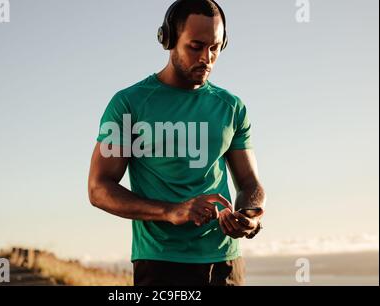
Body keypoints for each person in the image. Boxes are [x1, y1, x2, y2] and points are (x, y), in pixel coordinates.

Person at [88, 0, 266, 286]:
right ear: (168, 39)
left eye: (215, 48)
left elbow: (250, 184)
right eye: (195, 46)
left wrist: (249, 216)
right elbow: (99, 189)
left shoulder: (232, 107)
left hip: (226, 264)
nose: (206, 57)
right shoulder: (128, 104)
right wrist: (170, 211)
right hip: (160, 264)